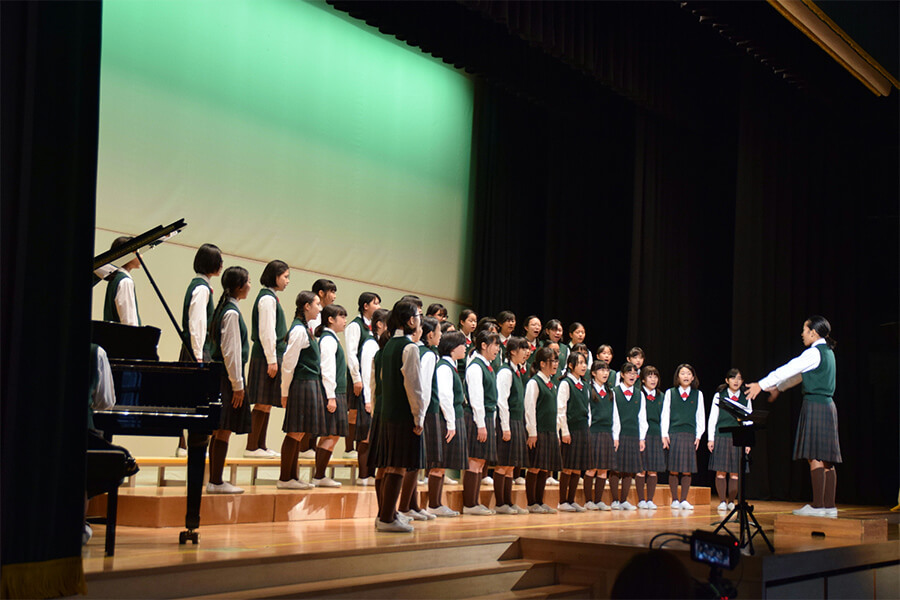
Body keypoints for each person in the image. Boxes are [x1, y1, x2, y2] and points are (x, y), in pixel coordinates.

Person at [746, 316, 841, 518]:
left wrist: (761, 385)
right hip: (828, 406)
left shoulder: (814, 352)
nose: (802, 334)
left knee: (815, 455)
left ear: (813, 333)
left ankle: (818, 506)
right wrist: (779, 388)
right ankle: (829, 506)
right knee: (827, 458)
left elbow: (790, 368)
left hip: (815, 405)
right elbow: (801, 375)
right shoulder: (828, 352)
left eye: (804, 330)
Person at [371, 300, 425, 532]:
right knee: (398, 466)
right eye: (418, 316)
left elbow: (376, 387)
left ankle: (387, 513)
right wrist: (418, 417)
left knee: (385, 465)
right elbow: (414, 387)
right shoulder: (409, 347)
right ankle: (386, 519)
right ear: (411, 320)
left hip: (384, 415)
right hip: (402, 415)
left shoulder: (385, 348)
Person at [206, 266, 253, 494]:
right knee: (223, 429)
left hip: (219, 375)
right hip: (227, 376)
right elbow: (231, 351)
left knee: (219, 429)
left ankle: (215, 479)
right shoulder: (232, 313)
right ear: (238, 286)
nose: (250, 286)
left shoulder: (223, 308)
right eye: (248, 282)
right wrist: (238, 385)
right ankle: (216, 481)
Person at [175, 243, 222, 457]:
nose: (222, 265)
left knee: (189, 398)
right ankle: (188, 446)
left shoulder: (199, 285)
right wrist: (199, 357)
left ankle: (188, 445)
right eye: (219, 260)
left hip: (195, 350)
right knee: (195, 400)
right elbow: (197, 325)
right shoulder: (202, 288)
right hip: (197, 351)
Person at [277, 291, 325, 490]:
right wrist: (284, 391)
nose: (320, 308)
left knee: (299, 432)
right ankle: (285, 478)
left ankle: (292, 476)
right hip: (302, 384)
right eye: (317, 304)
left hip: (309, 383)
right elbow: (288, 363)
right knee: (294, 431)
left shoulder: (305, 328)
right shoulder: (298, 330)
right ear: (307, 306)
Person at [245, 260, 290, 459]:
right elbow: (266, 331)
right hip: (265, 356)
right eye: (285, 277)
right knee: (262, 402)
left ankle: (261, 445)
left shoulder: (272, 298)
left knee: (268, 402)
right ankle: (252, 447)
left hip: (271, 355)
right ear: (275, 276)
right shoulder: (266, 299)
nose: (288, 281)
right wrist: (272, 359)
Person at [462, 330, 501, 515]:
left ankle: (474, 502)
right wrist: (481, 424)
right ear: (484, 345)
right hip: (478, 416)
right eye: (495, 345)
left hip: (486, 416)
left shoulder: (488, 365)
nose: (498, 349)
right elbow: (476, 398)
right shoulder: (476, 366)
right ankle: (469, 504)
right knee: (474, 461)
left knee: (480, 461)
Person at [313, 304, 351, 487]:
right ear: (330, 319)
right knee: (331, 434)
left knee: (332, 434)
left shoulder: (332, 338)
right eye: (342, 316)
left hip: (336, 392)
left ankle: (319, 475)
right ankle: (319, 476)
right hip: (333, 392)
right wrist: (331, 397)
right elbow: (327, 369)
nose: (345, 321)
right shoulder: (328, 340)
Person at [661, 363, 706, 510]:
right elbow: (665, 414)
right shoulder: (670, 393)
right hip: (674, 433)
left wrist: (698, 435)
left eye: (688, 373)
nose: (686, 376)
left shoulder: (698, 394)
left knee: (687, 469)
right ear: (677, 376)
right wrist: (664, 434)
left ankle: (684, 499)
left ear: (693, 377)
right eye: (683, 373)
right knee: (674, 468)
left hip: (690, 434)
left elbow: (700, 417)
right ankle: (675, 499)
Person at [493, 336, 530, 515]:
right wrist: (505, 427)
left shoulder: (516, 371)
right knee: (503, 464)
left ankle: (508, 502)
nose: (526, 353)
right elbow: (502, 401)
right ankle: (500, 503)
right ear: (513, 351)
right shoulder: (505, 372)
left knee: (510, 465)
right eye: (523, 349)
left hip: (516, 421)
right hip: (506, 422)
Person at [524, 347, 562, 514]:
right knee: (534, 467)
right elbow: (529, 408)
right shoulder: (534, 382)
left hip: (550, 431)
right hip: (538, 431)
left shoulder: (551, 384)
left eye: (556, 361)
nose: (555, 364)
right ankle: (532, 503)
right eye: (552, 361)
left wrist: (557, 432)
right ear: (542, 363)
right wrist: (532, 432)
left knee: (544, 468)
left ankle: (540, 501)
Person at [708, 369, 752, 511]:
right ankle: (722, 501)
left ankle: (732, 501)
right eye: (733, 378)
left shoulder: (746, 397)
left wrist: (748, 441)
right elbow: (713, 418)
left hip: (738, 438)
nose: (736, 381)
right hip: (721, 436)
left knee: (735, 472)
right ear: (727, 380)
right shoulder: (719, 395)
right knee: (721, 471)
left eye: (739, 378)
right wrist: (711, 438)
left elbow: (748, 420)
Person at [345, 292, 382, 460]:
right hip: (356, 375)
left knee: (359, 414)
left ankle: (355, 447)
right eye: (375, 303)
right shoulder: (355, 325)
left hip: (368, 377)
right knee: (353, 412)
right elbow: (351, 353)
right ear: (365, 306)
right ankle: (348, 448)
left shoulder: (373, 328)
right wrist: (356, 378)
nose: (378, 307)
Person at [357, 308, 390, 485]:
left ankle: (369, 474)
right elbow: (367, 375)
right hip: (368, 397)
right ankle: (364, 475)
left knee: (372, 436)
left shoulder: (380, 343)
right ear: (380, 324)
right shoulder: (371, 344)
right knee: (366, 436)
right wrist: (368, 400)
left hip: (373, 398)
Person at [557, 352, 591, 512]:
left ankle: (571, 500)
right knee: (568, 466)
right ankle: (562, 501)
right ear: (571, 366)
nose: (584, 366)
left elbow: (588, 409)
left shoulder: (584, 385)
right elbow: (561, 409)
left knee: (578, 466)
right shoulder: (566, 383)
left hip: (583, 429)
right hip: (570, 429)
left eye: (585, 363)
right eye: (580, 363)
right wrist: (564, 431)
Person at [611, 363, 646, 510]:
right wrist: (615, 435)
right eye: (629, 372)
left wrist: (642, 437)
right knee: (615, 467)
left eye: (635, 373)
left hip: (633, 434)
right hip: (618, 434)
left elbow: (642, 417)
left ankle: (624, 500)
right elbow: (613, 415)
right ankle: (614, 500)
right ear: (622, 375)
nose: (632, 375)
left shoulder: (639, 394)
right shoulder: (614, 392)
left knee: (629, 469)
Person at [586, 360, 616, 510]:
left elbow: (615, 415)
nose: (605, 373)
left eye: (607, 370)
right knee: (591, 468)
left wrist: (615, 436)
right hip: (593, 432)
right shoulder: (589, 389)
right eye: (601, 370)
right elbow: (587, 414)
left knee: (603, 468)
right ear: (593, 373)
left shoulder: (611, 392)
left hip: (607, 433)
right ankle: (588, 500)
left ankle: (598, 500)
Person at [638, 366, 665, 510]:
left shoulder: (662, 396)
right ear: (643, 379)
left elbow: (665, 417)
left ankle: (650, 499)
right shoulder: (638, 394)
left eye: (655, 376)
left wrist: (664, 435)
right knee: (641, 468)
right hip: (643, 433)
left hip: (656, 433)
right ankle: (641, 499)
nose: (653, 379)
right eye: (649, 376)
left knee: (653, 469)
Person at [103, 236, 141, 326]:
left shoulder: (116, 278)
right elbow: (129, 322)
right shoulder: (125, 281)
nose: (141, 256)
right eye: (138, 253)